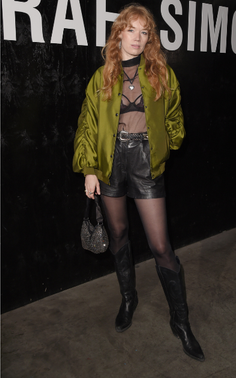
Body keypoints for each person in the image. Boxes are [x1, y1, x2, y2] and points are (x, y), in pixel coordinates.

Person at [73, 4, 202, 361]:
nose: (137, 38)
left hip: (145, 162)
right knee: (118, 236)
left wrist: (165, 145)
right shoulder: (102, 76)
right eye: (131, 30)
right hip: (111, 164)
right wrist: (88, 169)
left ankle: (181, 322)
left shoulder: (162, 73)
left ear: (150, 39)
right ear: (119, 34)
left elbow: (175, 115)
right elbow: (87, 123)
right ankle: (128, 299)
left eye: (144, 32)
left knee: (161, 246)